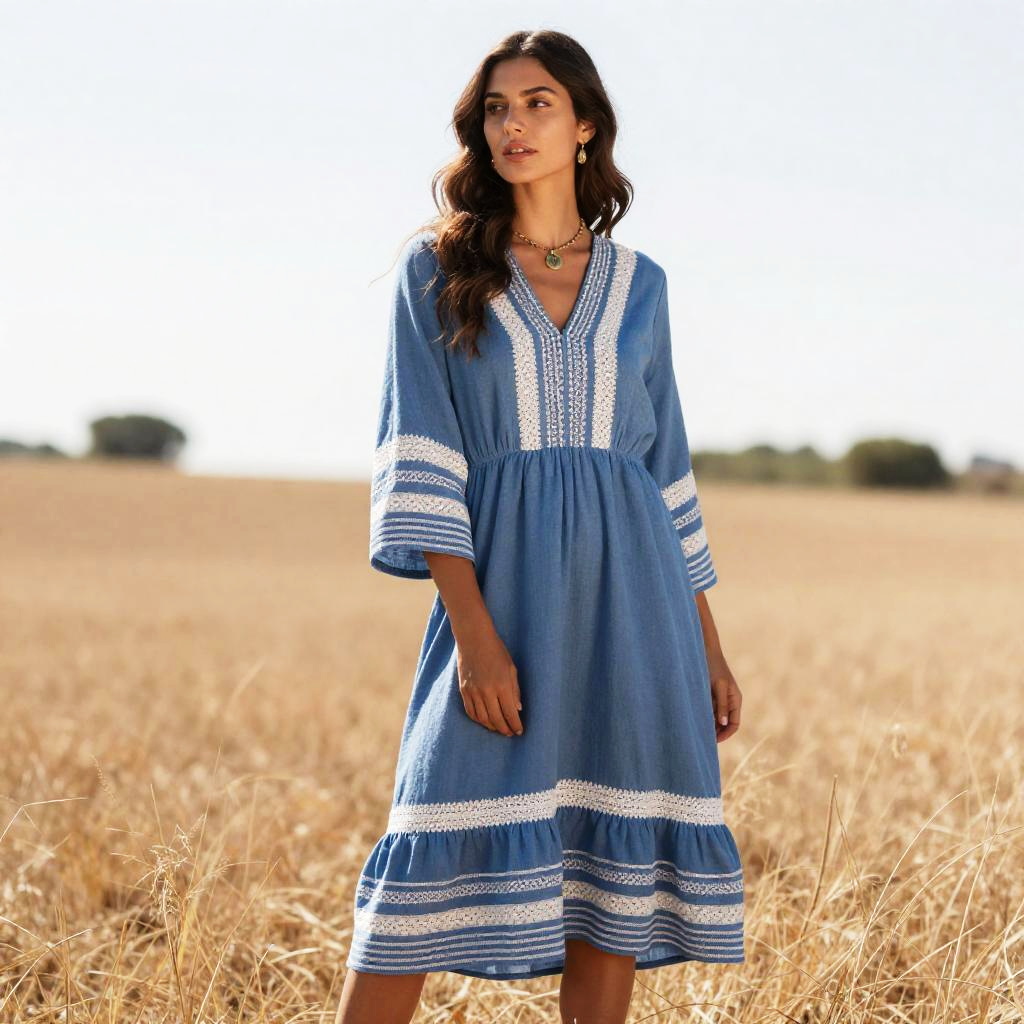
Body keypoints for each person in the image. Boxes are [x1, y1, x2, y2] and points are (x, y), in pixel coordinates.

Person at [336, 28, 745, 1024]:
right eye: (495, 108)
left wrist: (709, 648)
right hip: (503, 603)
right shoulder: (435, 273)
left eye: (536, 104)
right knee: (420, 867)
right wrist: (475, 636)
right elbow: (424, 459)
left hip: (638, 611)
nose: (512, 125)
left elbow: (665, 471)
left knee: (608, 901)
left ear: (584, 126)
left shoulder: (642, 285)